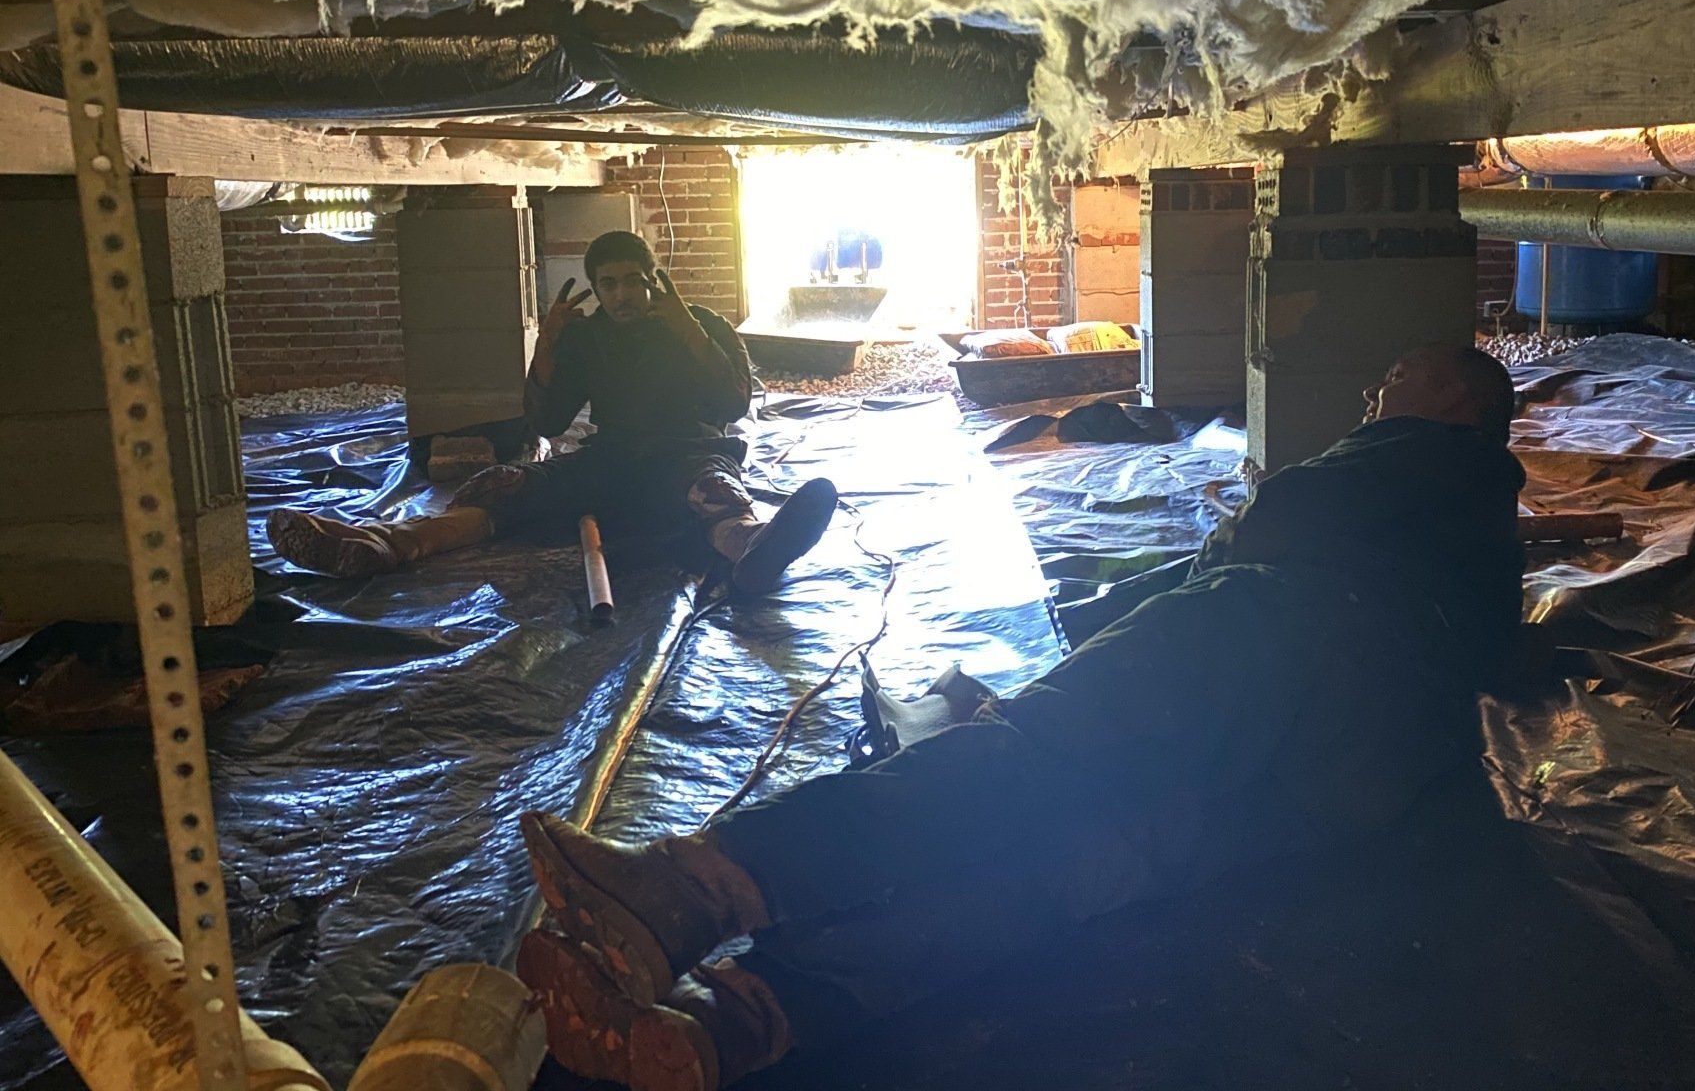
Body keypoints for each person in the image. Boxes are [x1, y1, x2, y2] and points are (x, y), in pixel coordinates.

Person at [513, 344, 1525, 1090]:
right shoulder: (1480, 533)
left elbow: (1272, 530)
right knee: (1082, 866)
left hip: (1270, 648)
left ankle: (690, 895)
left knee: (1021, 766)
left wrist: (1099, 651)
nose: (1373, 386)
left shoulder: (1413, 457)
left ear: (1450, 399)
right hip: (1350, 786)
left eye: (1396, 378)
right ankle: (737, 1026)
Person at [267, 230, 838, 595]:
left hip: (687, 452)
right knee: (504, 486)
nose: (621, 297)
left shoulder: (703, 324)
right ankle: (385, 544)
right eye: (608, 285)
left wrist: (686, 329)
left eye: (632, 283)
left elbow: (732, 404)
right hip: (610, 458)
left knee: (712, 493)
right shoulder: (587, 338)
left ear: (653, 279)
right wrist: (547, 345)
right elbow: (547, 424)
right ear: (595, 287)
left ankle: (754, 551)